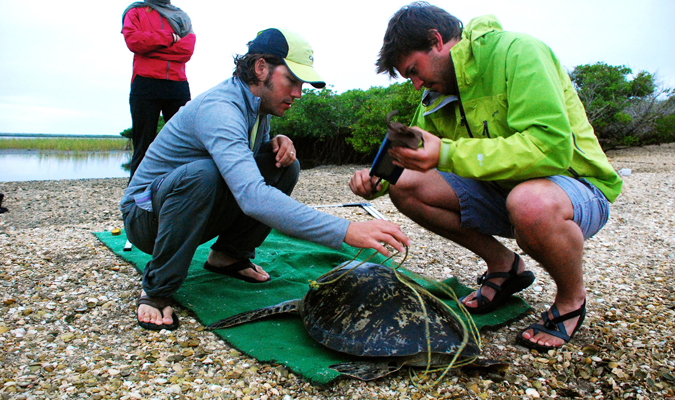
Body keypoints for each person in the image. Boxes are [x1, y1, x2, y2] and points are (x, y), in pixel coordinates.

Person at [349, 2, 622, 352]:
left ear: (437, 41)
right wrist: (377, 181)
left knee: (529, 203)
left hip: (575, 186)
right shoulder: (437, 93)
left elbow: (551, 147)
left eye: (414, 70)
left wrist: (447, 154)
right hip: (504, 192)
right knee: (406, 187)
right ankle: (505, 267)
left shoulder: (518, 52)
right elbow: (410, 153)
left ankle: (571, 300)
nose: (416, 84)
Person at [121, 28, 410, 331]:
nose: (299, 93)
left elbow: (245, 166)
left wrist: (277, 142)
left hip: (188, 207)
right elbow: (252, 196)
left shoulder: (259, 107)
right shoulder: (220, 108)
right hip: (146, 217)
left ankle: (229, 256)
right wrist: (346, 230)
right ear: (260, 68)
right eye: (293, 81)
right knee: (202, 176)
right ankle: (156, 290)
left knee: (285, 165)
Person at [122, 0, 196, 180]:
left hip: (177, 85)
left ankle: (177, 196)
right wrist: (169, 38)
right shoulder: (136, 12)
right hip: (146, 84)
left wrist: (151, 50)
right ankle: (134, 201)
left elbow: (187, 50)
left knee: (182, 145)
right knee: (143, 147)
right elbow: (134, 42)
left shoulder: (180, 16)